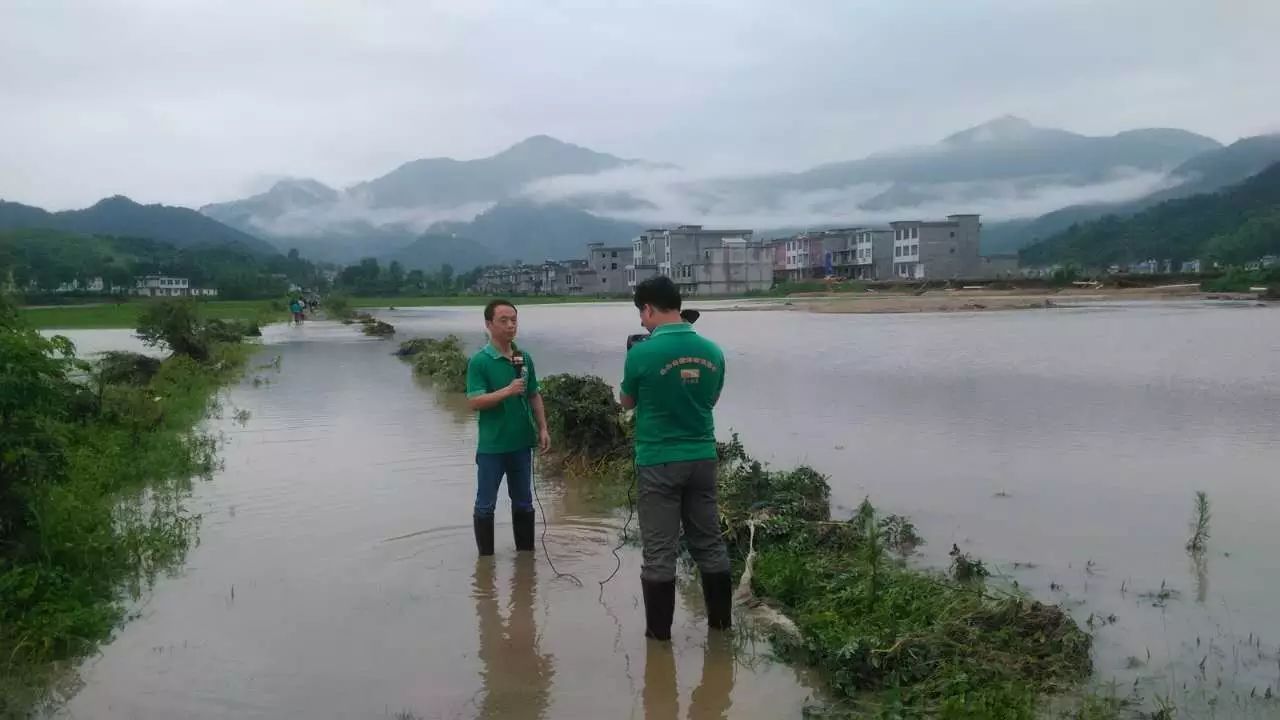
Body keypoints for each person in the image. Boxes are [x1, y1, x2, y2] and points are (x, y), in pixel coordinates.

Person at [620, 276, 731, 641]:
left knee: (659, 553)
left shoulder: (640, 353)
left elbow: (627, 403)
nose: (641, 322)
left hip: (658, 461)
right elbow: (709, 400)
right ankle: (720, 631)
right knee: (710, 545)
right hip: (702, 457)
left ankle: (659, 643)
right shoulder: (714, 352)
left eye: (642, 313)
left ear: (649, 308)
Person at [465, 300, 551, 556]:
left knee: (524, 502)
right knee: (485, 505)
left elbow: (534, 395)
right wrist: (507, 391)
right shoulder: (480, 361)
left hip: (522, 444)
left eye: (514, 319)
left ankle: (526, 561)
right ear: (489, 324)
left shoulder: (523, 358)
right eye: (503, 320)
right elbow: (475, 401)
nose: (510, 325)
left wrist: (543, 428)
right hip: (493, 446)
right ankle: (486, 562)